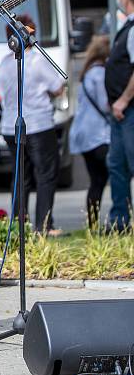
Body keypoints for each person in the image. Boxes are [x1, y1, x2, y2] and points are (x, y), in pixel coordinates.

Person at [0, 15, 65, 234]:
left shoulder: (5, 63)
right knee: (45, 175)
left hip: (10, 126)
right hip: (39, 125)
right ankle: (44, 225)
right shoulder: (37, 59)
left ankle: (19, 224)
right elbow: (57, 87)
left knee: (20, 177)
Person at [69, 35, 111, 230]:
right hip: (98, 136)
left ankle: (92, 224)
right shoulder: (100, 73)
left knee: (97, 180)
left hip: (83, 135)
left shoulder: (87, 72)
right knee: (111, 175)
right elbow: (105, 104)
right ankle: (116, 219)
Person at [104, 0, 134, 231]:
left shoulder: (133, 29)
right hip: (121, 111)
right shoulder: (128, 27)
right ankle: (120, 220)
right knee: (117, 165)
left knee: (128, 163)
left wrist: (122, 101)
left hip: (127, 110)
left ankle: (121, 219)